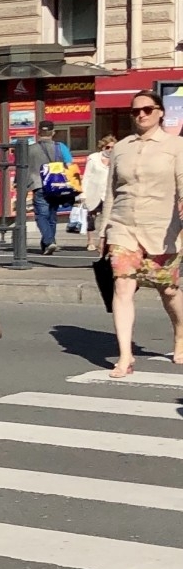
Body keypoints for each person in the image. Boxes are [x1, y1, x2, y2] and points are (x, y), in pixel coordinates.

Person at [96, 90, 183, 378]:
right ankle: (125, 357)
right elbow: (111, 193)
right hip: (123, 228)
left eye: (147, 109)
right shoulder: (121, 148)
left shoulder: (176, 146)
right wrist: (103, 231)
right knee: (122, 287)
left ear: (160, 112)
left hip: (162, 230)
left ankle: (180, 334)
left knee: (168, 290)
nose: (141, 115)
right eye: (135, 111)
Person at [24, 120, 74, 255]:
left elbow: (24, 168)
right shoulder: (60, 147)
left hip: (38, 185)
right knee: (52, 215)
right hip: (56, 185)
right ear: (53, 132)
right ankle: (48, 244)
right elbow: (69, 165)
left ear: (38, 132)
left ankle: (49, 241)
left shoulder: (30, 149)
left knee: (41, 215)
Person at [80, 135, 116, 251]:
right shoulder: (93, 158)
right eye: (108, 147)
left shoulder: (117, 159)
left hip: (108, 193)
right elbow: (87, 176)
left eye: (113, 148)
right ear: (102, 147)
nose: (110, 150)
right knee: (91, 217)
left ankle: (103, 242)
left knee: (107, 218)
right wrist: (83, 193)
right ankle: (90, 241)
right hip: (93, 192)